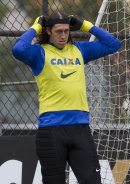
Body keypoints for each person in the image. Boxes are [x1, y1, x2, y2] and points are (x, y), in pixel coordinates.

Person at [12, 12, 121, 184]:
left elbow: (113, 44)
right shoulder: (39, 53)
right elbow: (18, 49)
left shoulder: (79, 49)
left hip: (80, 129)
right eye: (58, 31)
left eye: (66, 31)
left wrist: (86, 25)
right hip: (52, 131)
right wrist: (35, 27)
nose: (63, 35)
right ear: (48, 31)